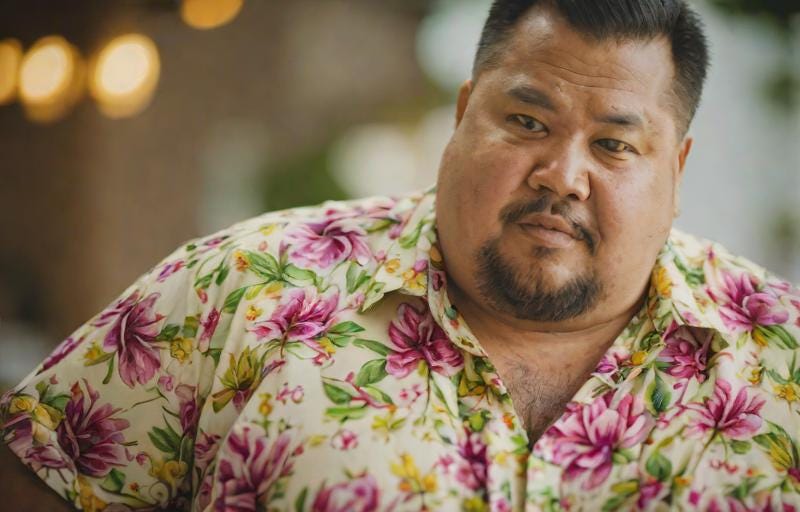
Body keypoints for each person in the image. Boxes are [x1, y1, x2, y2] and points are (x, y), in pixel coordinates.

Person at [3, 0, 799, 510]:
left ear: (677, 169)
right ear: (462, 116)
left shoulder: (782, 366)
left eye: (615, 143)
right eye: (526, 122)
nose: (563, 175)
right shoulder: (241, 286)